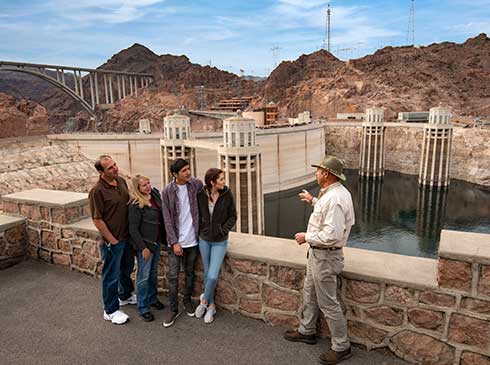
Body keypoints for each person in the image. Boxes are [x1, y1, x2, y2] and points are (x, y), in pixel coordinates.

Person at [284, 155, 355, 365]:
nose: (315, 173)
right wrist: (312, 200)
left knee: (328, 303)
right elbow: (326, 216)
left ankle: (342, 347)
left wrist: (306, 237)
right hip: (318, 255)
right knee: (310, 294)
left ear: (326, 174)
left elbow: (331, 234)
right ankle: (307, 331)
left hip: (325, 256)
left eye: (318, 171)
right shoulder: (332, 194)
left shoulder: (335, 199)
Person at [89, 155, 136, 325]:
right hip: (112, 241)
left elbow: (128, 200)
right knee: (111, 276)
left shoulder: (121, 181)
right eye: (110, 168)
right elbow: (97, 219)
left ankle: (125, 295)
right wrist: (112, 240)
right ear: (101, 172)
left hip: (126, 237)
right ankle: (110, 310)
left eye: (115, 164)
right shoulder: (97, 191)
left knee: (127, 268)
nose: (115, 168)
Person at [161, 158, 203, 327]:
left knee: (190, 273)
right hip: (177, 242)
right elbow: (167, 219)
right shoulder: (168, 191)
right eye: (184, 170)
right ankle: (173, 309)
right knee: (173, 276)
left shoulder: (195, 185)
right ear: (175, 174)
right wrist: (174, 242)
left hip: (193, 241)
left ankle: (186, 301)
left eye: (188, 169)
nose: (188, 172)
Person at [195, 168, 237, 323]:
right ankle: (211, 306)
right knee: (207, 274)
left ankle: (204, 300)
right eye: (221, 179)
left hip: (220, 241)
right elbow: (197, 214)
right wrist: (202, 228)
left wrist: (222, 230)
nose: (224, 182)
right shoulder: (201, 194)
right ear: (212, 182)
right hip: (204, 239)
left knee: (213, 275)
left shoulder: (227, 195)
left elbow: (233, 216)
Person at [128, 175, 166, 322]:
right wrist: (142, 247)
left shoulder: (155, 194)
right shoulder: (135, 204)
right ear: (138, 189)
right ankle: (143, 307)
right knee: (143, 277)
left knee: (153, 274)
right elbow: (133, 229)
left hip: (156, 242)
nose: (148, 186)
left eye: (148, 183)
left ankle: (152, 299)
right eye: (144, 185)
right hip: (146, 246)